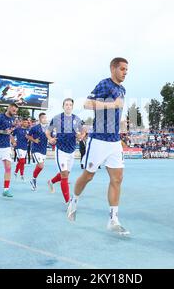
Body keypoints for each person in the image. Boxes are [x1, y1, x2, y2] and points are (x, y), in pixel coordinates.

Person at [66, 57, 129, 236]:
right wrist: (112, 104)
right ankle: (74, 201)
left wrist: (121, 120)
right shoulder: (104, 84)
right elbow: (86, 104)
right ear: (113, 68)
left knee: (117, 179)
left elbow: (116, 110)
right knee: (88, 176)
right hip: (99, 140)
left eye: (127, 70)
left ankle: (113, 219)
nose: (125, 73)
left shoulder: (122, 89)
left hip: (115, 141)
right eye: (122, 69)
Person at [46, 98, 86, 204]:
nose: (68, 106)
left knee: (66, 174)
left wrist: (80, 137)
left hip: (72, 150)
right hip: (61, 150)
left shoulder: (77, 119)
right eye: (66, 104)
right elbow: (47, 132)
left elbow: (83, 132)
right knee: (64, 176)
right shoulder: (57, 118)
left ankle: (51, 181)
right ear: (63, 106)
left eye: (70, 105)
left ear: (72, 107)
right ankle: (68, 202)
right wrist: (50, 139)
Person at [27, 113, 49, 191]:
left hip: (44, 150)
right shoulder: (35, 128)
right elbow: (28, 136)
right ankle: (33, 179)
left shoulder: (48, 128)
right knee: (41, 166)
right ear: (39, 119)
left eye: (45, 117)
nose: (45, 119)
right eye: (43, 118)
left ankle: (33, 179)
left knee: (40, 166)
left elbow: (51, 137)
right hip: (36, 149)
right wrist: (34, 140)